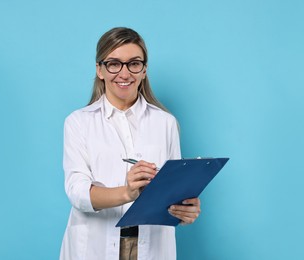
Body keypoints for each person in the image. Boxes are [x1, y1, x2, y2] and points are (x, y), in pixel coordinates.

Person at [60, 27, 201, 260]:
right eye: (114, 64)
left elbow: (173, 189)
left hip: (151, 247)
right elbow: (77, 192)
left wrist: (185, 210)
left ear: (144, 70)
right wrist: (127, 192)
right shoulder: (78, 122)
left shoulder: (165, 123)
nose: (124, 74)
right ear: (100, 70)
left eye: (134, 64)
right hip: (95, 247)